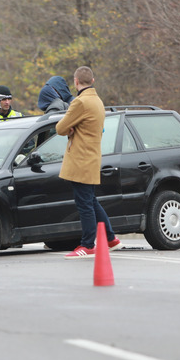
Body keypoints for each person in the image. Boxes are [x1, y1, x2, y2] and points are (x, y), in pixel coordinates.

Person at [55, 67, 122, 259]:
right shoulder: (97, 101)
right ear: (92, 80)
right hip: (92, 157)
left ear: (76, 82)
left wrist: (70, 128)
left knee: (84, 203)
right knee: (90, 200)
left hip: (80, 159)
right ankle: (110, 238)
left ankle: (87, 244)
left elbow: (60, 128)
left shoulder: (80, 102)